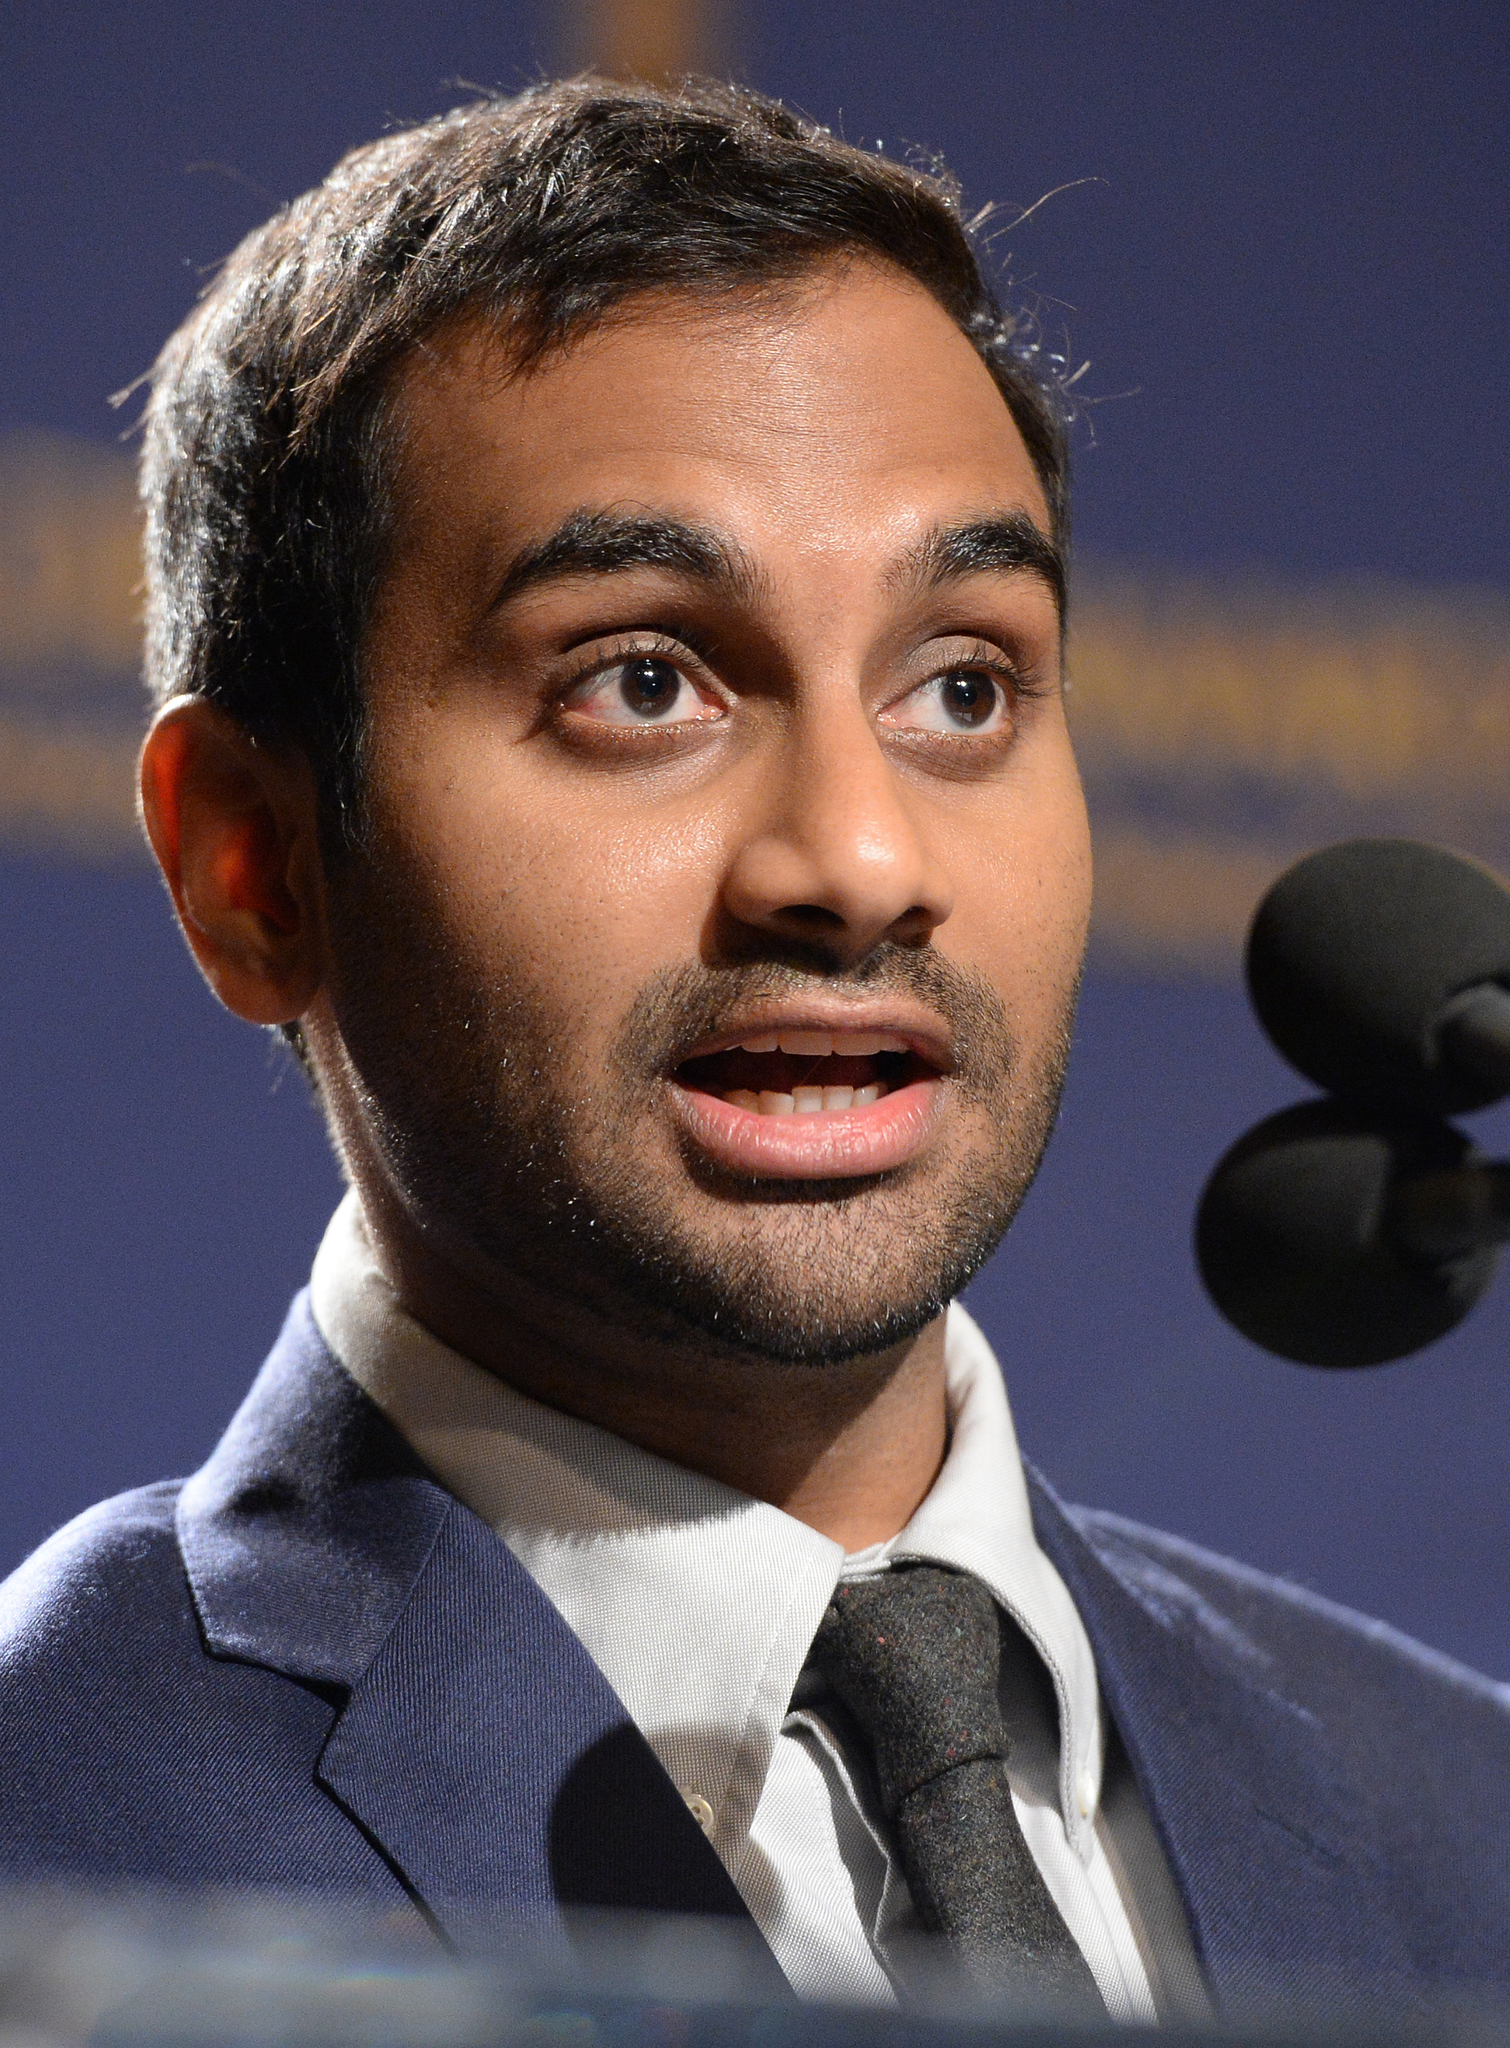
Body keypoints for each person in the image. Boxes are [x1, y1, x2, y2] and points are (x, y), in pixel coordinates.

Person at [0, 75, 1505, 2029]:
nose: (858, 862)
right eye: (642, 681)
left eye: (959, 683)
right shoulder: (57, 1845)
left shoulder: (1461, 1829)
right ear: (248, 860)